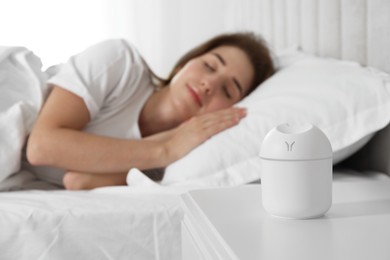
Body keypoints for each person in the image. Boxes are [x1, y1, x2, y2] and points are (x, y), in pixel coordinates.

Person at [25, 32, 275, 190]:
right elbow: (41, 146)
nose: (209, 84)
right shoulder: (120, 62)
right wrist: (164, 150)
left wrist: (168, 151)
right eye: (209, 66)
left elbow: (79, 181)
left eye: (228, 91)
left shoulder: (180, 157)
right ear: (184, 64)